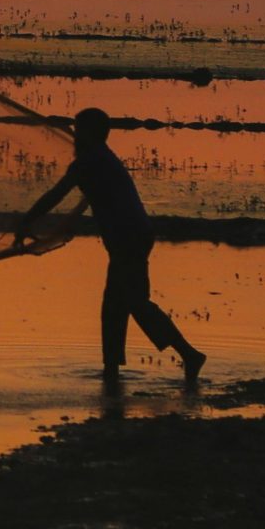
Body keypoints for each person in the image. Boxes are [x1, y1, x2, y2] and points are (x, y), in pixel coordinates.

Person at [15, 108, 207, 388]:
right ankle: (112, 370)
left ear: (91, 133)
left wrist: (26, 221)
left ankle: (189, 355)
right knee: (116, 306)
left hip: (129, 238)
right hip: (129, 237)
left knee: (134, 303)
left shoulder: (90, 161)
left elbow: (56, 194)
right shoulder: (100, 157)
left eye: (79, 130)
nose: (75, 136)